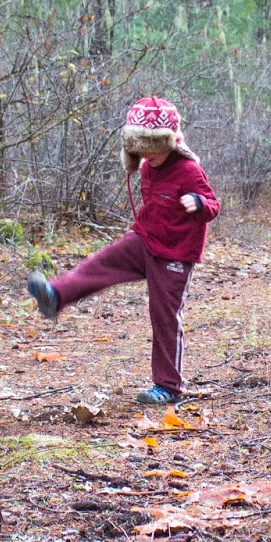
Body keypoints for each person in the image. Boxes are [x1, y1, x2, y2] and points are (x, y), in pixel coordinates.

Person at [28, 97, 221, 405]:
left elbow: (213, 205)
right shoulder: (146, 168)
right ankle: (55, 295)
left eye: (152, 146)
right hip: (145, 240)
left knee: (164, 316)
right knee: (102, 263)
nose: (146, 154)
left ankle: (168, 386)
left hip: (174, 255)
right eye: (139, 147)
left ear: (170, 142)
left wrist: (197, 204)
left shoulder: (188, 170)